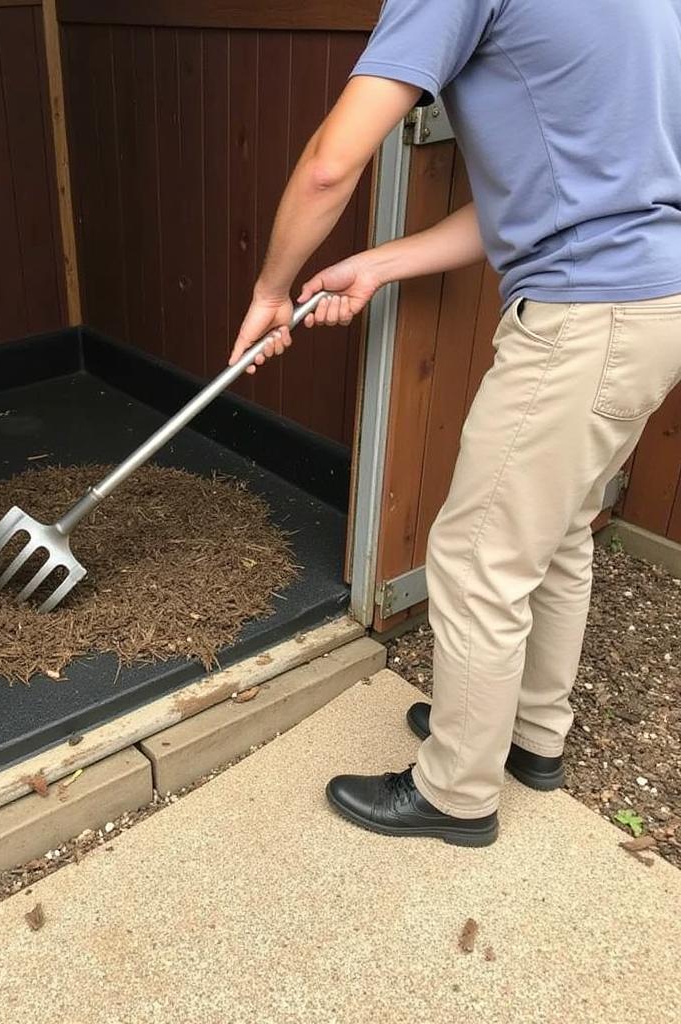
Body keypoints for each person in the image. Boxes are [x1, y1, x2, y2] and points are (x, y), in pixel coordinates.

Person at [229, 0, 681, 847]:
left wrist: (270, 292)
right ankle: (529, 736)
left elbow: (333, 163)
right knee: (560, 531)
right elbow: (556, 193)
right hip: (657, 302)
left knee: (477, 559)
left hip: (586, 313)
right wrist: (377, 263)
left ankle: (456, 791)